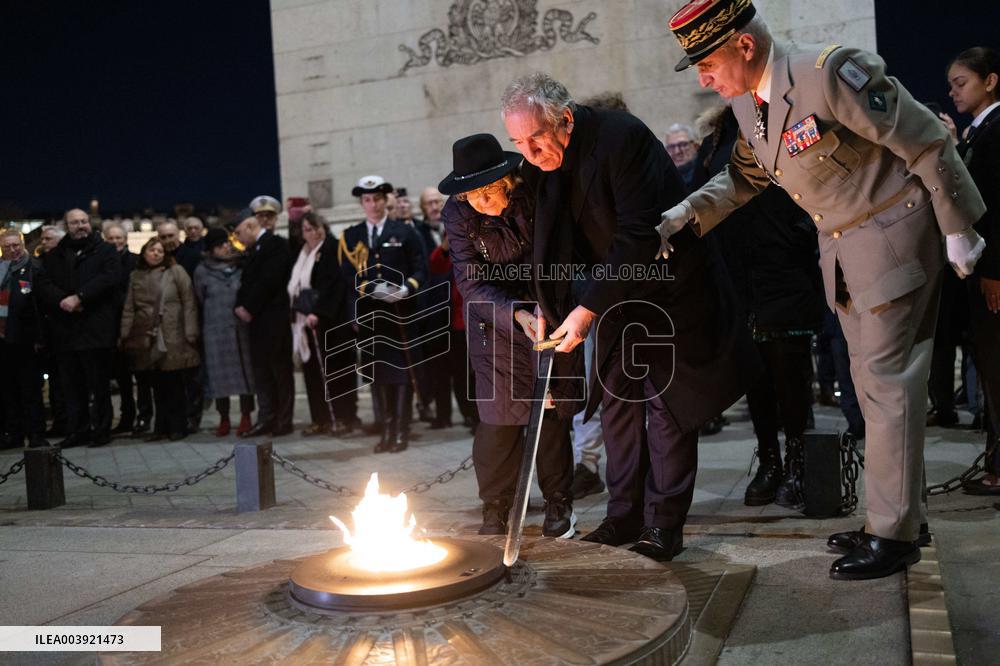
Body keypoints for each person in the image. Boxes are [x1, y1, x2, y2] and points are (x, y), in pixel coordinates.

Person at [661, 0, 987, 579]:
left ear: (744, 45)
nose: (704, 79)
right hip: (844, 252)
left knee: (888, 386)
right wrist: (684, 214)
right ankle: (897, 518)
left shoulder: (830, 73)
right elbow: (745, 176)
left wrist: (959, 227)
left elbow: (926, 141)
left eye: (707, 62)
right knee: (871, 388)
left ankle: (893, 535)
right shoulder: (746, 103)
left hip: (896, 235)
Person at [501, 73, 756, 561]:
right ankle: (623, 516)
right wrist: (548, 304)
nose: (529, 152)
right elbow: (550, 244)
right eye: (518, 142)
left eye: (534, 138)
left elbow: (638, 233)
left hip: (670, 287)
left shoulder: (621, 137)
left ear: (565, 121)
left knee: (666, 410)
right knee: (617, 405)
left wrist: (585, 310)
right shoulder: (540, 166)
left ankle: (663, 525)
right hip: (615, 294)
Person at [439, 133, 579, 537]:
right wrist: (515, 314)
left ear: (507, 181)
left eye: (487, 193)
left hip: (548, 306)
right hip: (495, 320)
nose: (480, 204)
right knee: (498, 418)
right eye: (471, 196)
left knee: (550, 409)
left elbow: (561, 249)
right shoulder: (458, 213)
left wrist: (549, 306)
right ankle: (495, 506)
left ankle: (557, 501)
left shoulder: (534, 189)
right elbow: (470, 282)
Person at [691, 104, 825, 507]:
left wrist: (798, 235)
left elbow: (820, 179)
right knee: (757, 379)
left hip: (783, 273)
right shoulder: (714, 137)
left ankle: (799, 461)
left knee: (791, 375)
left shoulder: (782, 115)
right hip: (738, 279)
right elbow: (701, 198)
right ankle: (770, 460)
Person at [943, 47, 1000, 495]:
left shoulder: (997, 130)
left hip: (992, 272)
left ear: (991, 81)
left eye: (962, 82)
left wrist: (996, 269)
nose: (953, 90)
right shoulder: (978, 132)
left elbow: (995, 208)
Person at [338, 175, 427, 453]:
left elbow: (420, 269)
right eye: (367, 199)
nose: (373, 204)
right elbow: (348, 276)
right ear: (361, 203)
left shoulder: (404, 232)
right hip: (371, 320)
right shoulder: (351, 237)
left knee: (402, 374)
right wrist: (370, 289)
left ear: (385, 200)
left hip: (401, 315)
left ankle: (400, 431)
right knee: (378, 375)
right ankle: (385, 430)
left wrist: (405, 289)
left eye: (377, 198)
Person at [36, 209, 120, 448]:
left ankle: (102, 430)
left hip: (96, 330)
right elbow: (44, 283)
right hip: (66, 331)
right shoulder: (55, 255)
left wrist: (81, 297)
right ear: (67, 226)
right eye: (75, 223)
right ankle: (78, 431)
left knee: (99, 386)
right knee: (71, 388)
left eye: (84, 221)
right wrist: (64, 300)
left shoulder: (106, 250)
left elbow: (109, 278)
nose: (80, 226)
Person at [119, 238, 200, 441]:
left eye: (160, 251)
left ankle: (178, 426)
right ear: (144, 252)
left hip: (172, 332)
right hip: (146, 335)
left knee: (174, 382)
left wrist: (191, 331)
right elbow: (129, 307)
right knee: (156, 384)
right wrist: (125, 334)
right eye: (152, 250)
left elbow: (189, 301)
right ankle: (160, 427)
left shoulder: (176, 272)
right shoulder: (135, 275)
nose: (156, 254)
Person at [295, 212, 360, 436]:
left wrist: (318, 311)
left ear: (324, 227)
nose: (312, 232)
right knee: (314, 373)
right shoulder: (305, 253)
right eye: (307, 229)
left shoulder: (332, 247)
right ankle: (320, 418)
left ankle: (345, 417)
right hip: (310, 322)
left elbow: (334, 284)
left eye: (315, 227)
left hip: (333, 322)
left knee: (339, 372)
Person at [233, 213, 295, 437]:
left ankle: (283, 420)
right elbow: (246, 282)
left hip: (273, 320)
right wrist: (240, 305)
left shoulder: (275, 245)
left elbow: (270, 280)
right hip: (257, 323)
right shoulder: (253, 250)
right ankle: (266, 418)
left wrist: (248, 307)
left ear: (250, 226)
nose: (238, 238)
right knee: (262, 373)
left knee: (280, 372)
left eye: (239, 232)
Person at [193, 228, 256, 437]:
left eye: (227, 243)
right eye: (220, 245)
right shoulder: (202, 271)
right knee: (219, 378)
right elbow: (200, 299)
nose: (226, 247)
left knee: (246, 375)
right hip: (216, 331)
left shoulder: (241, 266)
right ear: (211, 249)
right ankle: (224, 418)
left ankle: (246, 416)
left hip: (241, 329)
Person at [0, 229, 48, 449]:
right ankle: (14, 433)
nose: (12, 250)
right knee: (8, 390)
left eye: (15, 245)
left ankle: (36, 433)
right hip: (2, 340)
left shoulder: (34, 268)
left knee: (30, 390)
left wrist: (39, 337)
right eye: (7, 246)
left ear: (22, 244)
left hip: (26, 339)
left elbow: (41, 305)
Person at [103, 222, 151, 435]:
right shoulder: (103, 263)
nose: (115, 242)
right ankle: (126, 416)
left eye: (118, 238)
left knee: (141, 378)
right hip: (111, 327)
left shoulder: (135, 262)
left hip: (135, 326)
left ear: (126, 239)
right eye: (111, 239)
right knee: (121, 378)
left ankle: (144, 417)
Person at [664, 122, 701, 190]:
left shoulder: (707, 175)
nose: (677, 152)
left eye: (683, 144)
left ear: (696, 146)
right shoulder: (663, 179)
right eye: (671, 147)